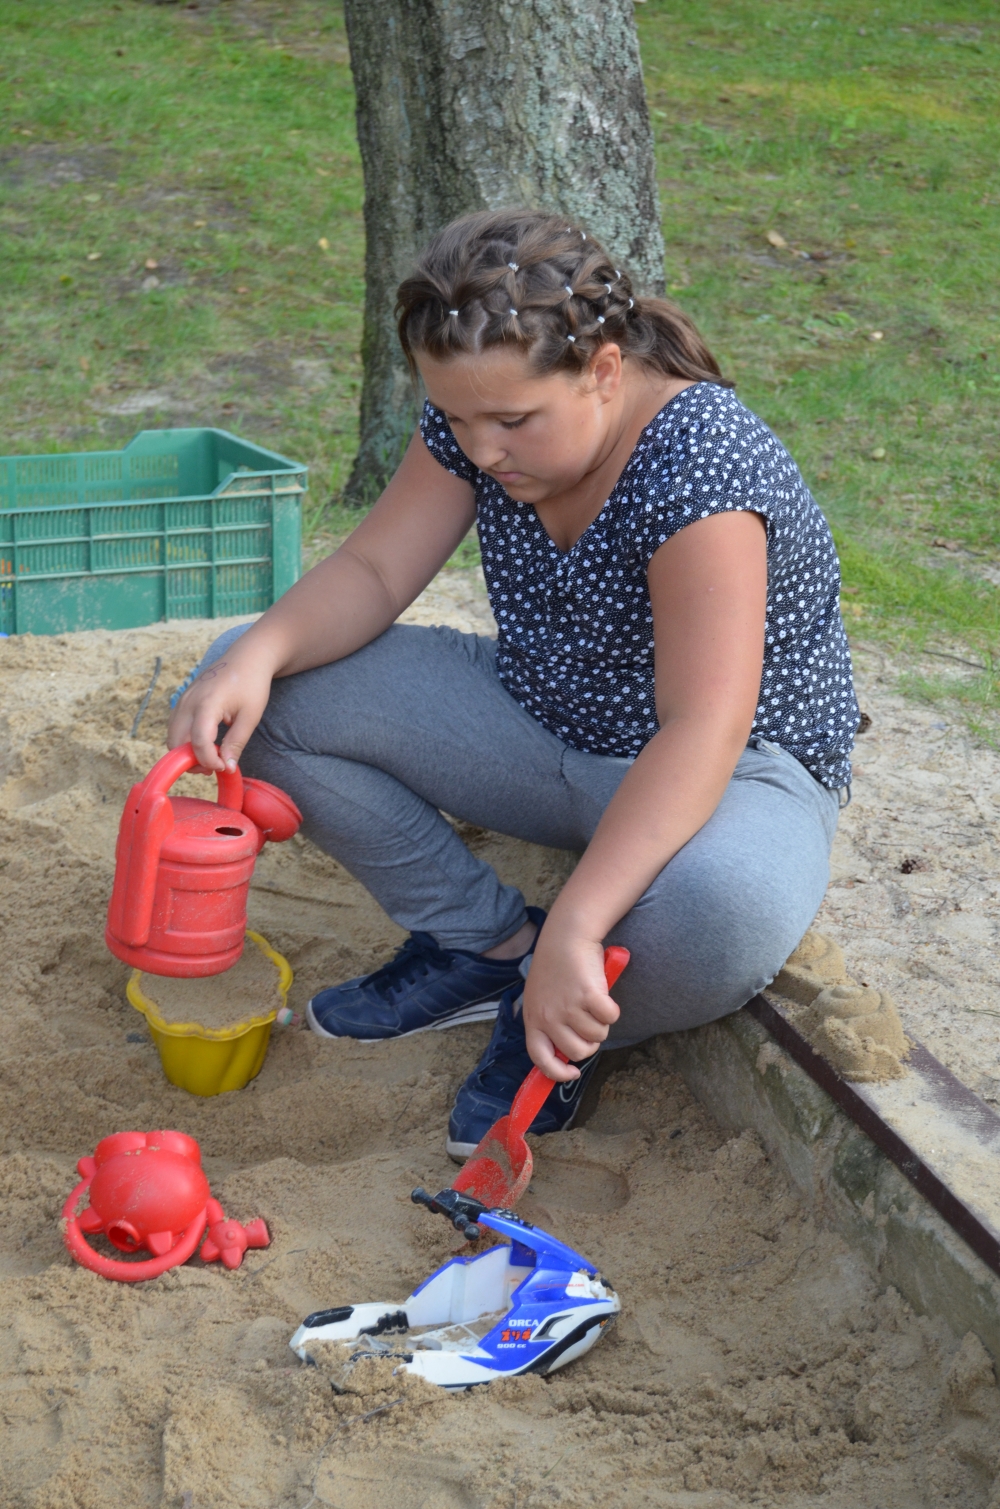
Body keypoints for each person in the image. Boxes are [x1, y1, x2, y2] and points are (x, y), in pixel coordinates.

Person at [168, 208, 858, 1159]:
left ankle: (558, 1018)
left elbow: (703, 728)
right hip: (542, 723)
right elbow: (373, 571)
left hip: (732, 774)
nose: (482, 449)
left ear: (604, 370)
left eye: (512, 422)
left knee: (723, 911)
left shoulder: (703, 468)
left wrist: (578, 923)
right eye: (457, 418)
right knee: (252, 686)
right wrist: (255, 654)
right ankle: (484, 946)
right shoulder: (482, 416)